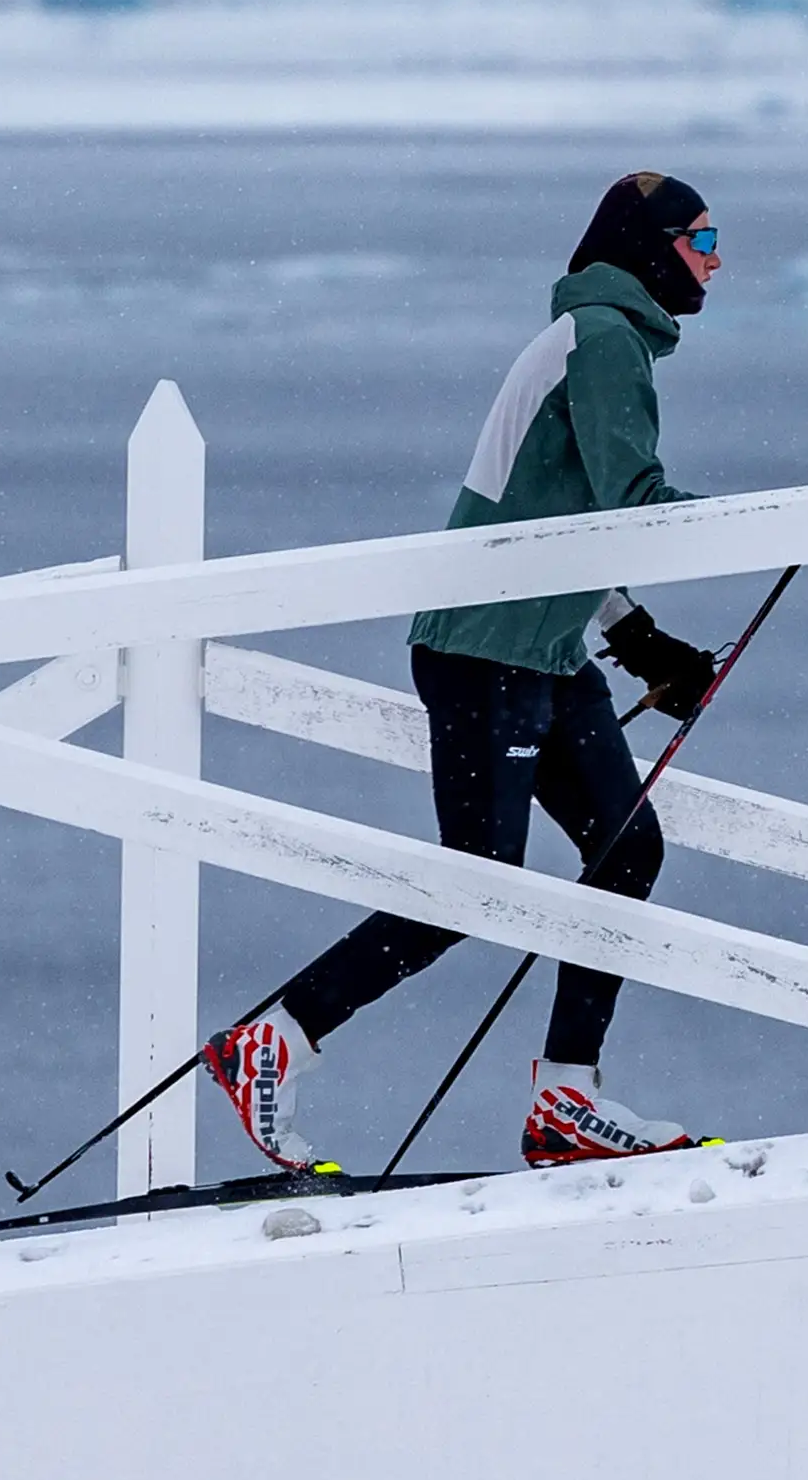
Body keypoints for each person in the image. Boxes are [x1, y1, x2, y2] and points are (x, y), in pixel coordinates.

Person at [199, 169, 736, 1172]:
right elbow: (632, 495)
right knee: (479, 882)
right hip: (485, 654)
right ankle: (274, 1037)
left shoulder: (601, 336)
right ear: (649, 243)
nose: (714, 258)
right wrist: (785, 524)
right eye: (702, 237)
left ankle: (566, 1101)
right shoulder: (606, 338)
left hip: (544, 647)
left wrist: (636, 637)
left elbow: (559, 517)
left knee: (625, 852)